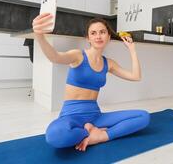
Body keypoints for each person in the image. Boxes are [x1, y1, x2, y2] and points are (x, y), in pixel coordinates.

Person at [32, 13, 150, 151]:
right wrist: (39, 36)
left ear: (108, 37)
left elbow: (136, 76)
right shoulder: (78, 56)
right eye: (93, 33)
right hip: (71, 116)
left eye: (102, 32)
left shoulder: (108, 63)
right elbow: (55, 57)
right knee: (54, 136)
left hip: (95, 116)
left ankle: (100, 136)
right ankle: (89, 131)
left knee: (144, 116)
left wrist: (132, 50)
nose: (98, 36)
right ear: (88, 38)